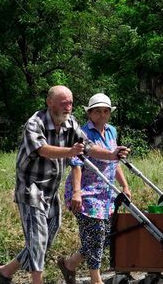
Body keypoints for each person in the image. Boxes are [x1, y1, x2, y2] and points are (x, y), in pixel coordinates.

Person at [0, 86, 124, 284]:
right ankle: (37, 281)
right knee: (38, 238)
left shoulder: (70, 122)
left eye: (70, 103)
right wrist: (70, 152)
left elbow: (87, 147)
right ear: (50, 103)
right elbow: (43, 149)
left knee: (46, 238)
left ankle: (6, 271)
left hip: (51, 190)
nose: (68, 107)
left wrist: (112, 155)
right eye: (63, 103)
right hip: (31, 188)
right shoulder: (35, 123)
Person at [56, 93, 131, 284]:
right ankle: (96, 280)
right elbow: (76, 163)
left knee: (105, 236)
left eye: (106, 111)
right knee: (96, 235)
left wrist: (124, 185)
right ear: (90, 113)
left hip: (105, 193)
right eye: (97, 111)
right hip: (85, 192)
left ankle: (70, 264)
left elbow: (115, 162)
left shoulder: (112, 131)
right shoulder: (82, 133)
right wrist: (77, 193)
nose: (102, 114)